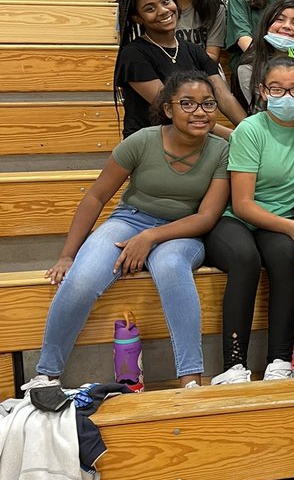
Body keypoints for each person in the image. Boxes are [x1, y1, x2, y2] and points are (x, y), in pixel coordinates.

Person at [22, 71, 230, 393]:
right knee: (83, 277)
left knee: (172, 267)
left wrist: (149, 239)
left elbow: (206, 217)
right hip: (130, 220)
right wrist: (67, 254)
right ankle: (46, 374)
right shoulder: (143, 141)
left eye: (207, 104)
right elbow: (95, 196)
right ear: (168, 109)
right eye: (187, 103)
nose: (199, 112)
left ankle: (191, 379)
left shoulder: (221, 151)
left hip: (182, 231)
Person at [205, 56, 294, 384]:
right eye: (278, 89)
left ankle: (279, 359)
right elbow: (242, 204)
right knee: (245, 258)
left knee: (285, 256)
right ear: (262, 91)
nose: (288, 96)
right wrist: (291, 227)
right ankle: (234, 365)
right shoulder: (249, 131)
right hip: (237, 221)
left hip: (281, 222)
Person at [114, 0, 246, 138]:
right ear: (138, 18)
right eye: (150, 8)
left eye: (165, 1)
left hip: (194, 139)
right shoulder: (133, 55)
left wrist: (252, 131)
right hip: (150, 142)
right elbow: (176, 109)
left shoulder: (194, 50)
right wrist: (237, 137)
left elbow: (225, 98)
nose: (163, 11)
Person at [234, 0, 294, 112]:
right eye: (279, 19)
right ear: (266, 26)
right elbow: (259, 109)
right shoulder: (248, 67)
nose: (287, 26)